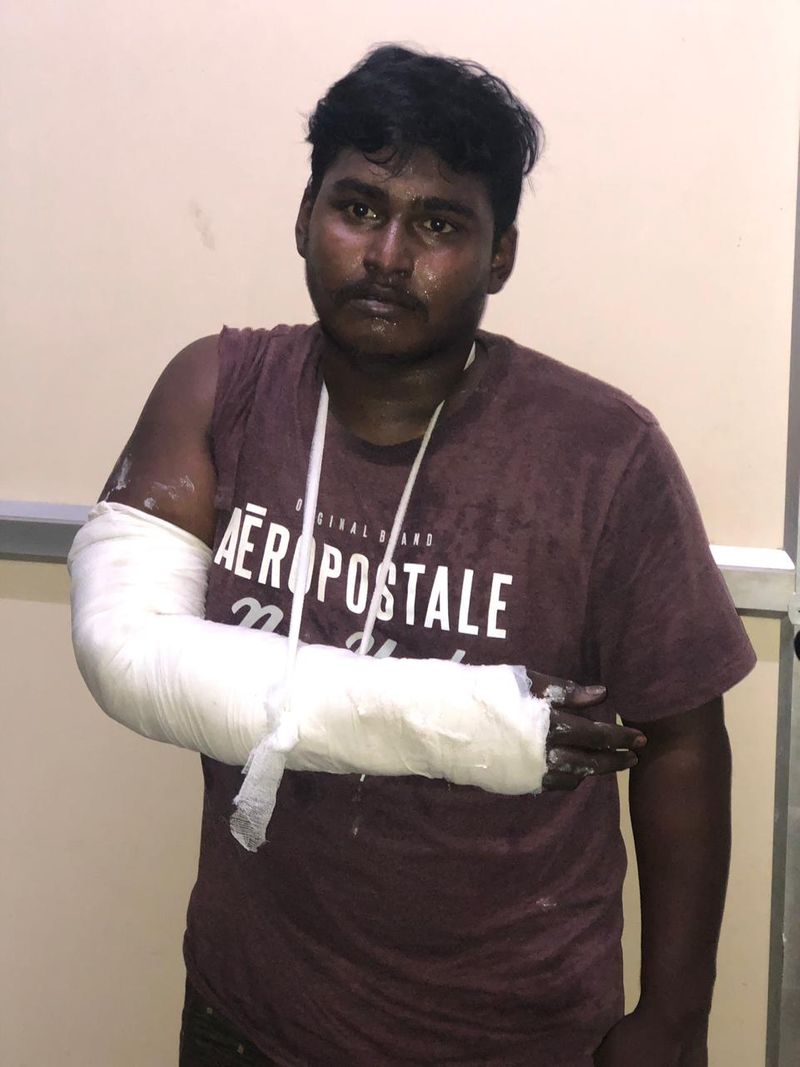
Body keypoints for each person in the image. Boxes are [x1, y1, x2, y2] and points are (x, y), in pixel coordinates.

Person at [76, 45, 755, 1066]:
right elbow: (128, 648)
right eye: (358, 207)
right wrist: (467, 722)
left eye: (438, 224)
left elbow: (683, 743)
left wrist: (675, 1016)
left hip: (508, 1032)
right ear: (304, 218)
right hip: (246, 1014)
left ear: (499, 257)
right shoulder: (219, 391)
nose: (387, 255)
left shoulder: (601, 454)